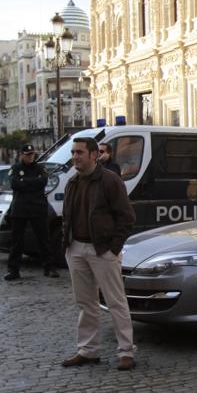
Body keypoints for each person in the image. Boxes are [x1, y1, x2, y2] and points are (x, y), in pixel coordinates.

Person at [60, 136, 137, 371]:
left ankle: (126, 352)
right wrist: (68, 245)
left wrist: (113, 248)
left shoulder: (109, 180)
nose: (75, 157)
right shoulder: (73, 182)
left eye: (79, 152)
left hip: (102, 250)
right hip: (77, 248)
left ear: (94, 155)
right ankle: (88, 350)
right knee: (85, 302)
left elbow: (127, 217)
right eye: (73, 152)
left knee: (116, 302)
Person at [4, 144, 57, 281]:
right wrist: (33, 183)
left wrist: (25, 182)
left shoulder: (40, 168)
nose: (30, 156)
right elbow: (15, 184)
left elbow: (43, 182)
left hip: (37, 207)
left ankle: (49, 267)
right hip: (20, 209)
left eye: (32, 154)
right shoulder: (16, 168)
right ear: (21, 154)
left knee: (44, 239)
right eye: (27, 154)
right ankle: (13, 270)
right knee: (17, 242)